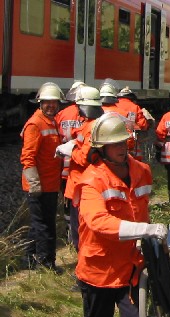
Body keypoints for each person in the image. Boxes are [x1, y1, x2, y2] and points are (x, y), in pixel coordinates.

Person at [73, 113, 168, 317]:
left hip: (129, 267)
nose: (121, 148)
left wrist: (150, 239)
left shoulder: (141, 171)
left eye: (123, 142)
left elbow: (141, 209)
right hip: (99, 271)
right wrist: (146, 230)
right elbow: (98, 221)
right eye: (114, 144)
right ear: (101, 149)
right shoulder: (92, 181)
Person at [20, 82, 65, 274]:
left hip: (50, 183)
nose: (51, 106)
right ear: (40, 103)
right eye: (47, 102)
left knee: (40, 223)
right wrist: (34, 184)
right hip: (40, 186)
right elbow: (27, 157)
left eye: (54, 103)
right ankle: (47, 264)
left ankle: (28, 259)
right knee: (44, 225)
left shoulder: (51, 122)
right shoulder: (35, 124)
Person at [55, 86, 104, 251]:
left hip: (81, 184)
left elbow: (85, 157)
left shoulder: (92, 127)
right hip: (80, 183)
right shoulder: (92, 125)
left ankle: (83, 260)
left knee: (81, 229)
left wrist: (71, 150)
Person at [55, 81, 86, 243]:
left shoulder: (61, 114)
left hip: (63, 166)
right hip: (80, 166)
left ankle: (69, 232)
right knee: (80, 200)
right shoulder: (86, 115)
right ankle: (80, 231)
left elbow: (57, 139)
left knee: (67, 200)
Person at [116, 86, 151, 161]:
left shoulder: (114, 105)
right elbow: (143, 125)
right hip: (130, 142)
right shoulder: (135, 107)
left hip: (114, 139)